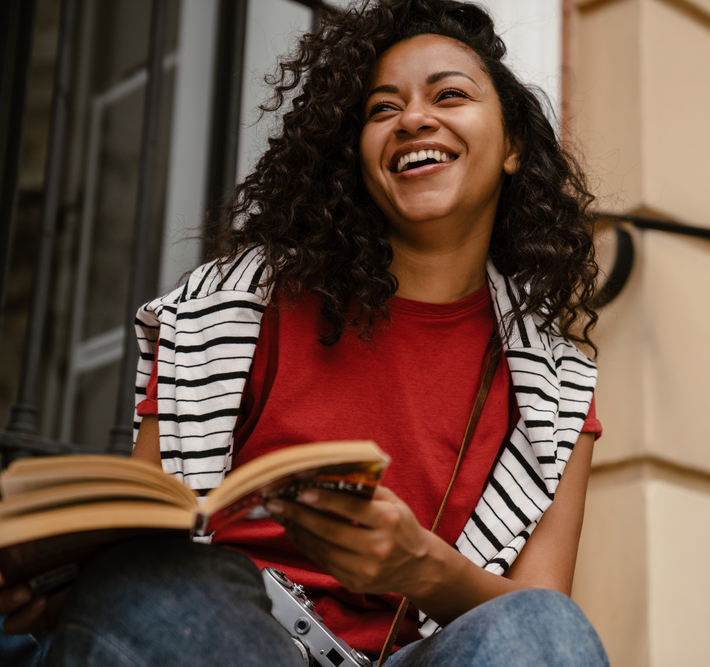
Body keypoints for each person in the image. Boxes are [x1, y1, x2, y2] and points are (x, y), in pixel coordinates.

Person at [0, 1, 609, 665]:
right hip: (230, 637)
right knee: (157, 587)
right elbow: (136, 528)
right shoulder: (239, 307)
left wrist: (420, 568)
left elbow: (537, 618)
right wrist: (51, 591)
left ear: (515, 145)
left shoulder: (556, 385)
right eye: (382, 109)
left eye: (449, 94)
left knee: (545, 626)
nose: (412, 119)